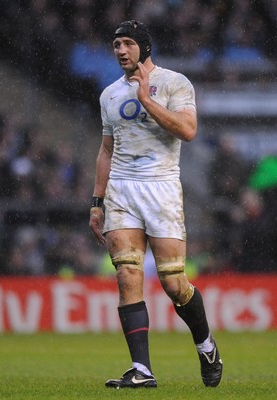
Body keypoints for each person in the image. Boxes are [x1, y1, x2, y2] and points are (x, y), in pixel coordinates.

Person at [89, 20, 223, 389]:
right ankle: (141, 370)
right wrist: (97, 201)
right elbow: (106, 149)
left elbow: (189, 131)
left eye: (128, 43)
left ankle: (206, 345)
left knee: (174, 283)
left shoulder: (175, 83)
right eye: (116, 44)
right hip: (122, 190)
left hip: (161, 188)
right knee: (128, 275)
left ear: (144, 48)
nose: (120, 51)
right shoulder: (109, 95)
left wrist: (147, 99)